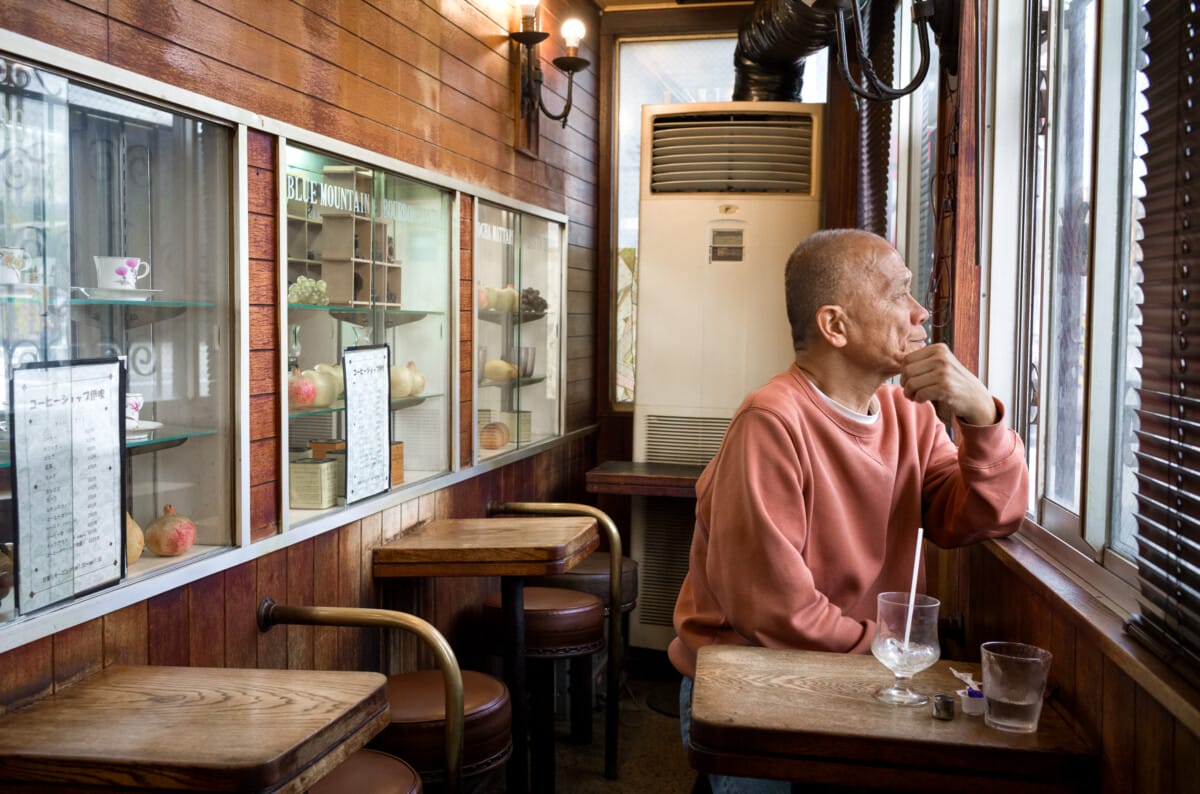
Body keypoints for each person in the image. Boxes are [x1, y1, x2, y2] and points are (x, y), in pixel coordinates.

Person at [670, 229, 1029, 794]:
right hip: (754, 682)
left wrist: (983, 417)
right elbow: (776, 616)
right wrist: (903, 659)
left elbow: (985, 516)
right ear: (835, 325)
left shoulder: (907, 415)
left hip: (858, 673)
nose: (919, 314)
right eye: (898, 295)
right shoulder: (770, 421)